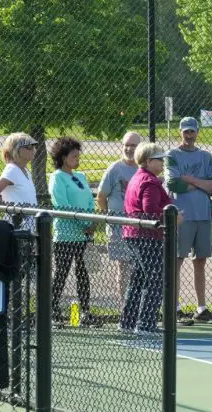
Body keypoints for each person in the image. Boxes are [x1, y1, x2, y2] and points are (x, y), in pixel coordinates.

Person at [122, 143, 184, 334]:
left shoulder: (138, 178)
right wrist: (173, 218)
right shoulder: (150, 181)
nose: (162, 162)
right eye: (159, 159)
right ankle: (145, 324)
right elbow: (150, 211)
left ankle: (128, 322)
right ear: (148, 161)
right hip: (147, 236)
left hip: (134, 234)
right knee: (155, 279)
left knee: (139, 279)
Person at [165, 117, 212, 324]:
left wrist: (190, 180)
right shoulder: (172, 155)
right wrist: (201, 184)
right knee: (177, 260)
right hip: (182, 216)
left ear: (197, 132)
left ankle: (201, 307)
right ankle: (175, 307)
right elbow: (173, 183)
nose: (189, 136)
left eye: (192, 132)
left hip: (203, 215)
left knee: (201, 261)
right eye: (186, 132)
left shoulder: (205, 156)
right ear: (180, 132)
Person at [48, 137, 98, 326]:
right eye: (73, 155)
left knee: (83, 273)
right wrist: (83, 223)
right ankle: (52, 311)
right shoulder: (57, 177)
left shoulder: (81, 176)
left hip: (84, 235)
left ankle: (85, 311)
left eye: (78, 154)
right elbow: (62, 205)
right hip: (66, 234)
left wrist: (92, 222)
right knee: (62, 272)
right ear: (62, 157)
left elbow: (89, 203)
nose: (77, 158)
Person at [96, 131, 140, 329]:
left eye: (133, 145)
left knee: (140, 268)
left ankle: (139, 308)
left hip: (141, 228)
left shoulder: (143, 169)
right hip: (119, 229)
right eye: (126, 145)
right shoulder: (115, 169)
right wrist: (111, 218)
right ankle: (126, 309)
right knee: (124, 267)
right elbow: (101, 196)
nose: (129, 149)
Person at [0, 133, 38, 229]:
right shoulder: (12, 170)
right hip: (17, 227)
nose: (34, 150)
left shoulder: (25, 170)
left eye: (34, 147)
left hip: (29, 225)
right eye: (28, 147)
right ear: (17, 150)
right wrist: (10, 209)